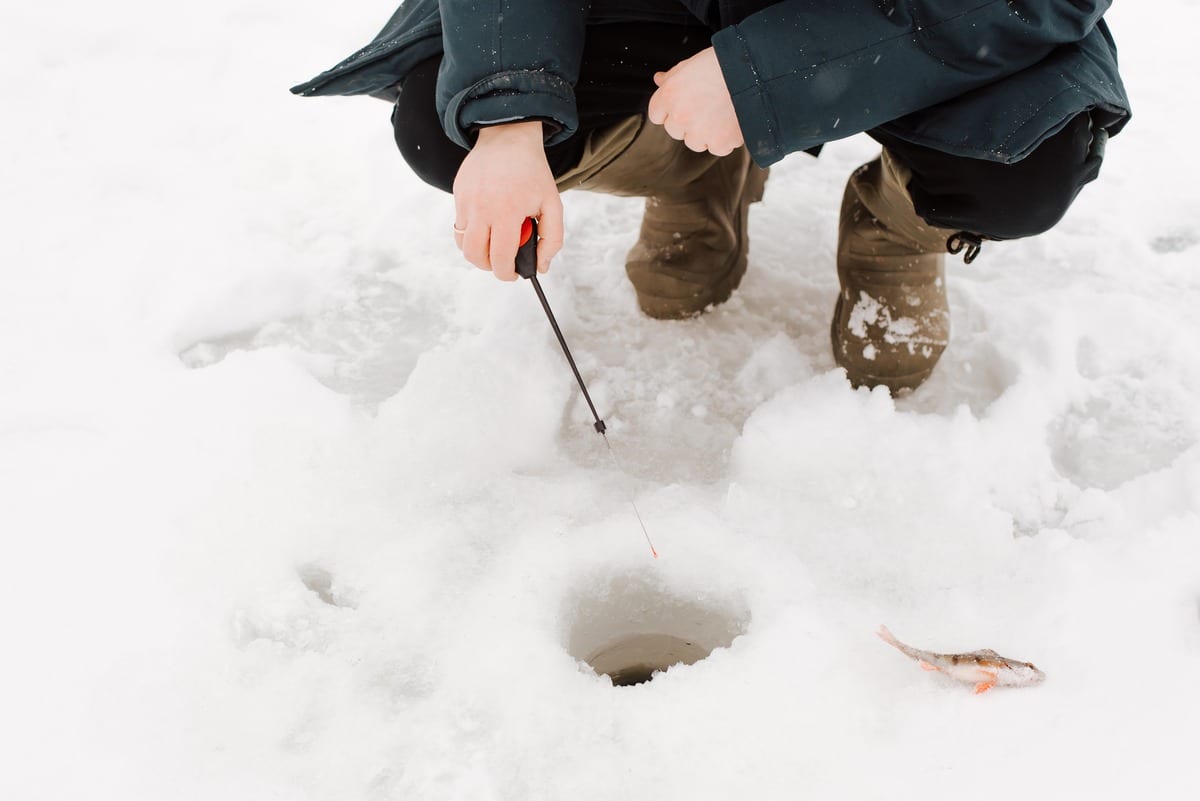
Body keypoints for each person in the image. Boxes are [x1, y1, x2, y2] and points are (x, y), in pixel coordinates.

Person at [292, 1, 1130, 394]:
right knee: (451, 120)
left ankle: (898, 225)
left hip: (930, 22)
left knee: (1025, 159)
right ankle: (693, 166)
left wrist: (765, 75)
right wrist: (509, 119)